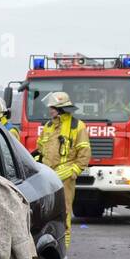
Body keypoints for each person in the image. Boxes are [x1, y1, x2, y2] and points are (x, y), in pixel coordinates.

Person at [34, 91, 91, 248]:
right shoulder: (48, 126)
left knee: (63, 213)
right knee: (45, 212)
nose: (49, 110)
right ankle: (48, 244)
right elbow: (41, 148)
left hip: (64, 178)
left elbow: (84, 153)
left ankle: (63, 248)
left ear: (61, 109)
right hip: (47, 176)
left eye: (52, 107)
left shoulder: (77, 126)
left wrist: (74, 171)